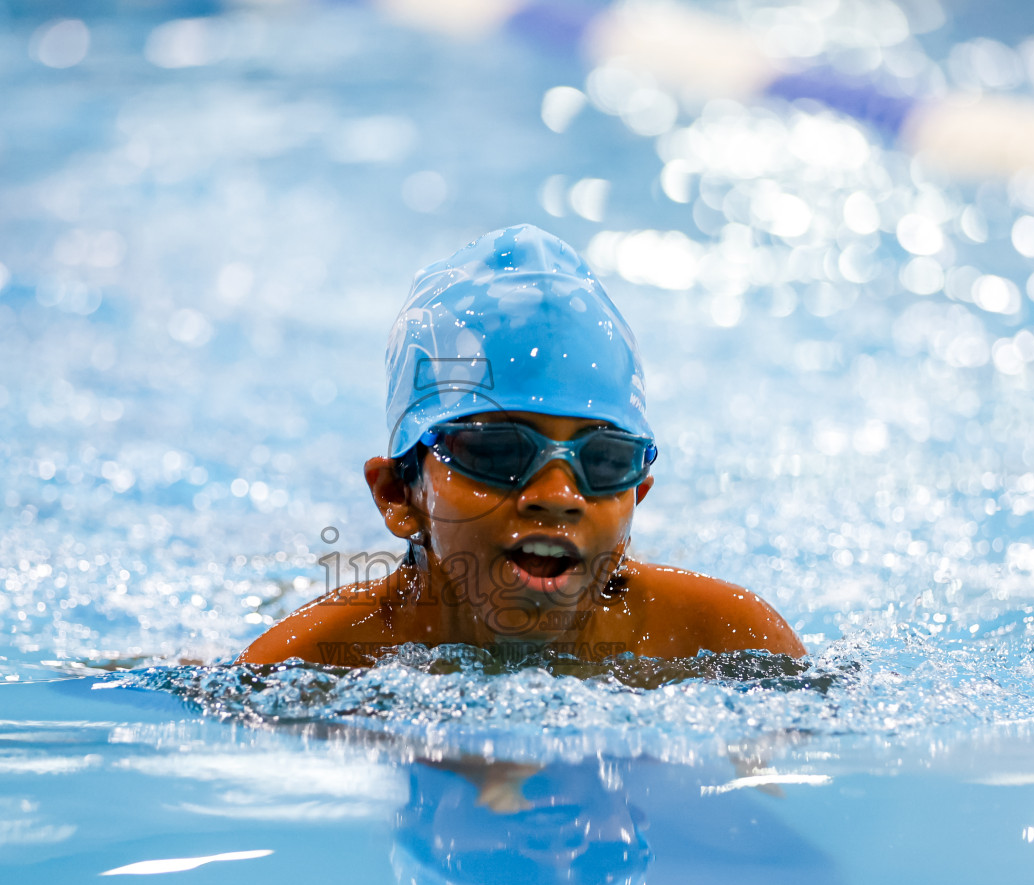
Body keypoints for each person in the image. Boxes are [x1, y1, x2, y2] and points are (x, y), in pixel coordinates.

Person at [241, 224, 802, 667]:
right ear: (397, 494)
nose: (559, 495)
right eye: (497, 453)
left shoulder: (728, 641)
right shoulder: (309, 665)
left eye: (604, 462)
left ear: (637, 499)